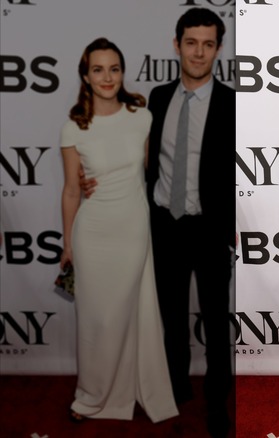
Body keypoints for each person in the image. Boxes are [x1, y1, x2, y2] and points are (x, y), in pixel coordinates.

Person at [80, 8, 235, 437]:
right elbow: (127, 153)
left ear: (218, 49)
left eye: (208, 43)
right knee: (168, 317)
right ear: (176, 44)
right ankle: (175, 389)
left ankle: (217, 403)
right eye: (191, 42)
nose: (199, 52)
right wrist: (91, 175)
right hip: (163, 225)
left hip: (208, 229)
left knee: (217, 321)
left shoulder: (231, 104)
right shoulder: (157, 99)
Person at [59, 37, 178, 424]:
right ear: (85, 75)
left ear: (123, 72)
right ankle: (91, 395)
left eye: (114, 68)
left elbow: (152, 171)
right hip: (92, 233)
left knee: (127, 314)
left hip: (133, 229)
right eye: (98, 69)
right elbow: (72, 189)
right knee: (96, 319)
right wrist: (67, 244)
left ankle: (132, 389)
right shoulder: (73, 127)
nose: (107, 77)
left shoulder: (141, 116)